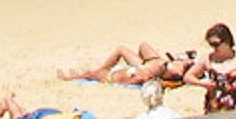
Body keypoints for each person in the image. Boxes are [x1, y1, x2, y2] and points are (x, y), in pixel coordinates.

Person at [183, 23, 236, 112]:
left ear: (227, 41)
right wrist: (203, 84)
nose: (214, 48)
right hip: (214, 105)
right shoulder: (207, 59)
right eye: (211, 44)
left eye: (216, 44)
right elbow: (188, 77)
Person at [56, 42, 193, 86]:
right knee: (140, 46)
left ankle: (74, 77)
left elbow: (142, 79)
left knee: (96, 74)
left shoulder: (176, 72)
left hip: (144, 69)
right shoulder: (175, 67)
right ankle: (97, 71)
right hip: (148, 65)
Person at [0, 93, 99, 119]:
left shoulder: (75, 117)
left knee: (26, 115)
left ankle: (5, 106)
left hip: (53, 114)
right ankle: (9, 100)